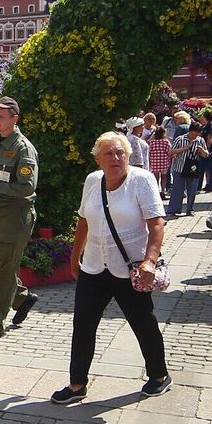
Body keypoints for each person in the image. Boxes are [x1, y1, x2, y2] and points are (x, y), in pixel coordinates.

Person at [50, 132, 171, 404]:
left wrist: (149, 260)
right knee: (83, 324)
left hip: (129, 268)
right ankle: (77, 383)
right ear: (98, 159)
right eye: (109, 153)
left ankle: (160, 375)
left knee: (142, 322)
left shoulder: (142, 180)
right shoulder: (93, 181)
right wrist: (74, 258)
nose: (116, 158)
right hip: (94, 265)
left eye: (121, 153)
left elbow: (157, 224)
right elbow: (83, 222)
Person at [0, 97, 40, 340]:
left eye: (1, 116)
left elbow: (26, 188)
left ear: (15, 119)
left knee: (5, 269)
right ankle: (22, 297)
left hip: (15, 214)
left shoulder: (23, 148)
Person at [164, 111, 198, 217]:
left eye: (177, 118)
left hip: (181, 165)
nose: (175, 120)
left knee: (177, 188)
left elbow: (173, 147)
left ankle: (174, 209)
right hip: (192, 165)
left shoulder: (180, 130)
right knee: (191, 189)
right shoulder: (190, 129)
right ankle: (189, 210)